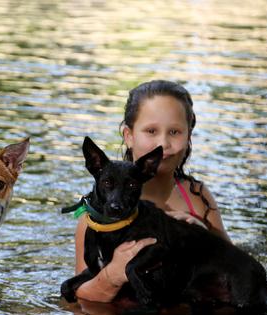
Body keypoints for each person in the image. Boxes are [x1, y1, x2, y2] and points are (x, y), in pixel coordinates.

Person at [73, 80, 231, 303]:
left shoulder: (197, 198)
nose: (163, 143)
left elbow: (232, 265)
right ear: (128, 135)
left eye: (175, 132)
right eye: (151, 131)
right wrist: (113, 274)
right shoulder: (98, 215)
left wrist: (200, 236)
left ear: (189, 137)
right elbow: (80, 294)